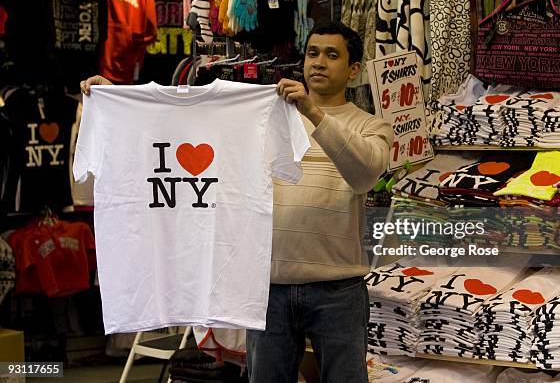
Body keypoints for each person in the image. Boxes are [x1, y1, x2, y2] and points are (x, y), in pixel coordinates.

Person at [81, 21, 393, 383]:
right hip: (267, 287)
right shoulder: (269, 115)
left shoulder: (371, 127)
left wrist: (313, 112)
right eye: (312, 53)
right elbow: (182, 116)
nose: (319, 62)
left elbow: (365, 173)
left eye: (332, 55)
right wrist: (115, 98)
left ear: (354, 69)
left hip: (338, 289)